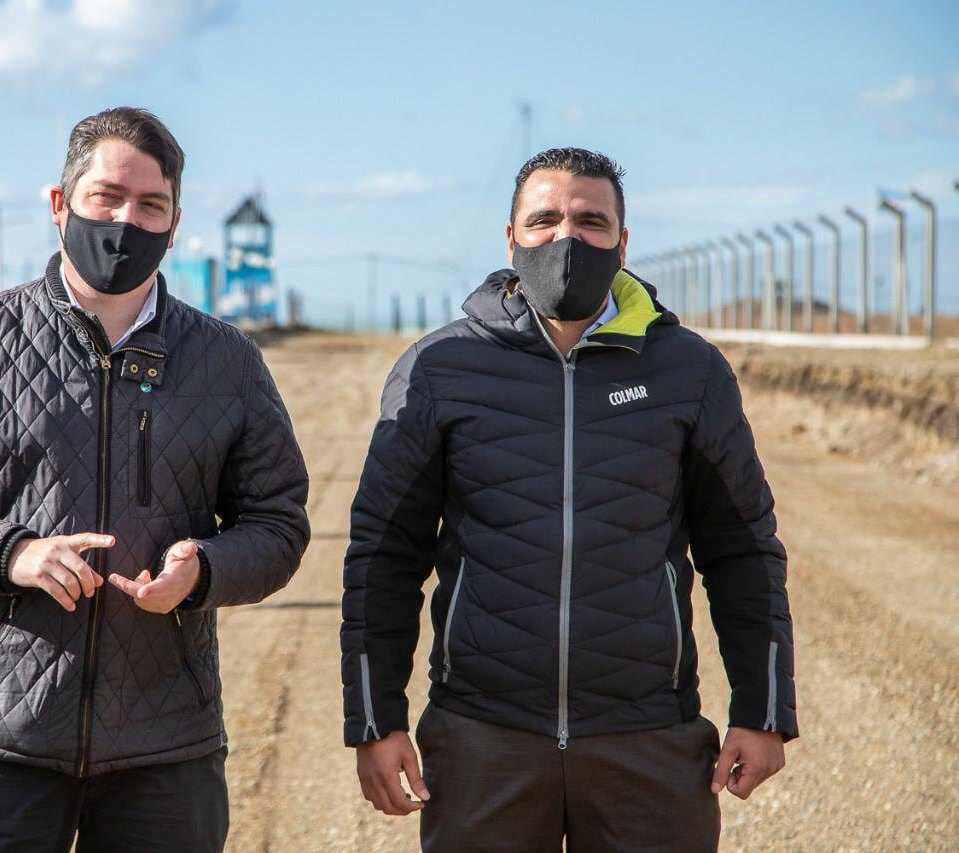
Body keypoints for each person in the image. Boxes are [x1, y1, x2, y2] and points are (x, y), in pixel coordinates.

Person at [0, 107, 309, 852]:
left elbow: (279, 521)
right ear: (60, 203)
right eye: (107, 196)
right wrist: (13, 553)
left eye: (151, 205)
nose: (125, 220)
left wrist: (205, 570)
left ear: (173, 224)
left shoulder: (229, 363)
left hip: (167, 745)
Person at [340, 148, 795, 851]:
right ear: (511, 236)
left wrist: (763, 709)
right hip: (483, 736)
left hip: (648, 738)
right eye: (544, 218)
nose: (566, 238)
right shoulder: (441, 367)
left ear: (622, 242)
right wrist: (376, 719)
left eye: (591, 221)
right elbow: (385, 550)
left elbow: (742, 547)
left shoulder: (687, 369)